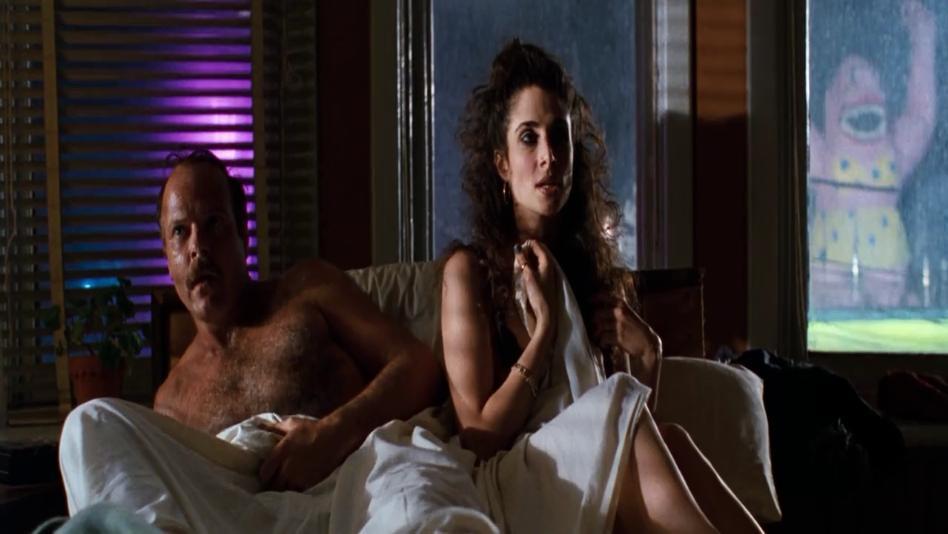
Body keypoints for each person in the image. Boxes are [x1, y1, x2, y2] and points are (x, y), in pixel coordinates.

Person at [58, 149, 495, 532]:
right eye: (180, 232)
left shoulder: (305, 290)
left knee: (418, 502)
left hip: (357, 480)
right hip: (244, 516)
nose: (197, 247)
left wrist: (332, 434)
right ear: (167, 256)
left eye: (213, 224)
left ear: (243, 234)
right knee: (88, 424)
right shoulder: (170, 401)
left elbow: (416, 365)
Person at [440, 40, 764, 533]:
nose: (548, 156)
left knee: (672, 438)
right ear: (502, 163)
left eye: (559, 136)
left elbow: (630, 435)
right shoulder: (469, 272)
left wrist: (650, 355)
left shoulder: (583, 271)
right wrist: (545, 333)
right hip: (520, 478)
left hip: (588, 469)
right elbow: (479, 437)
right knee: (627, 421)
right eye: (528, 138)